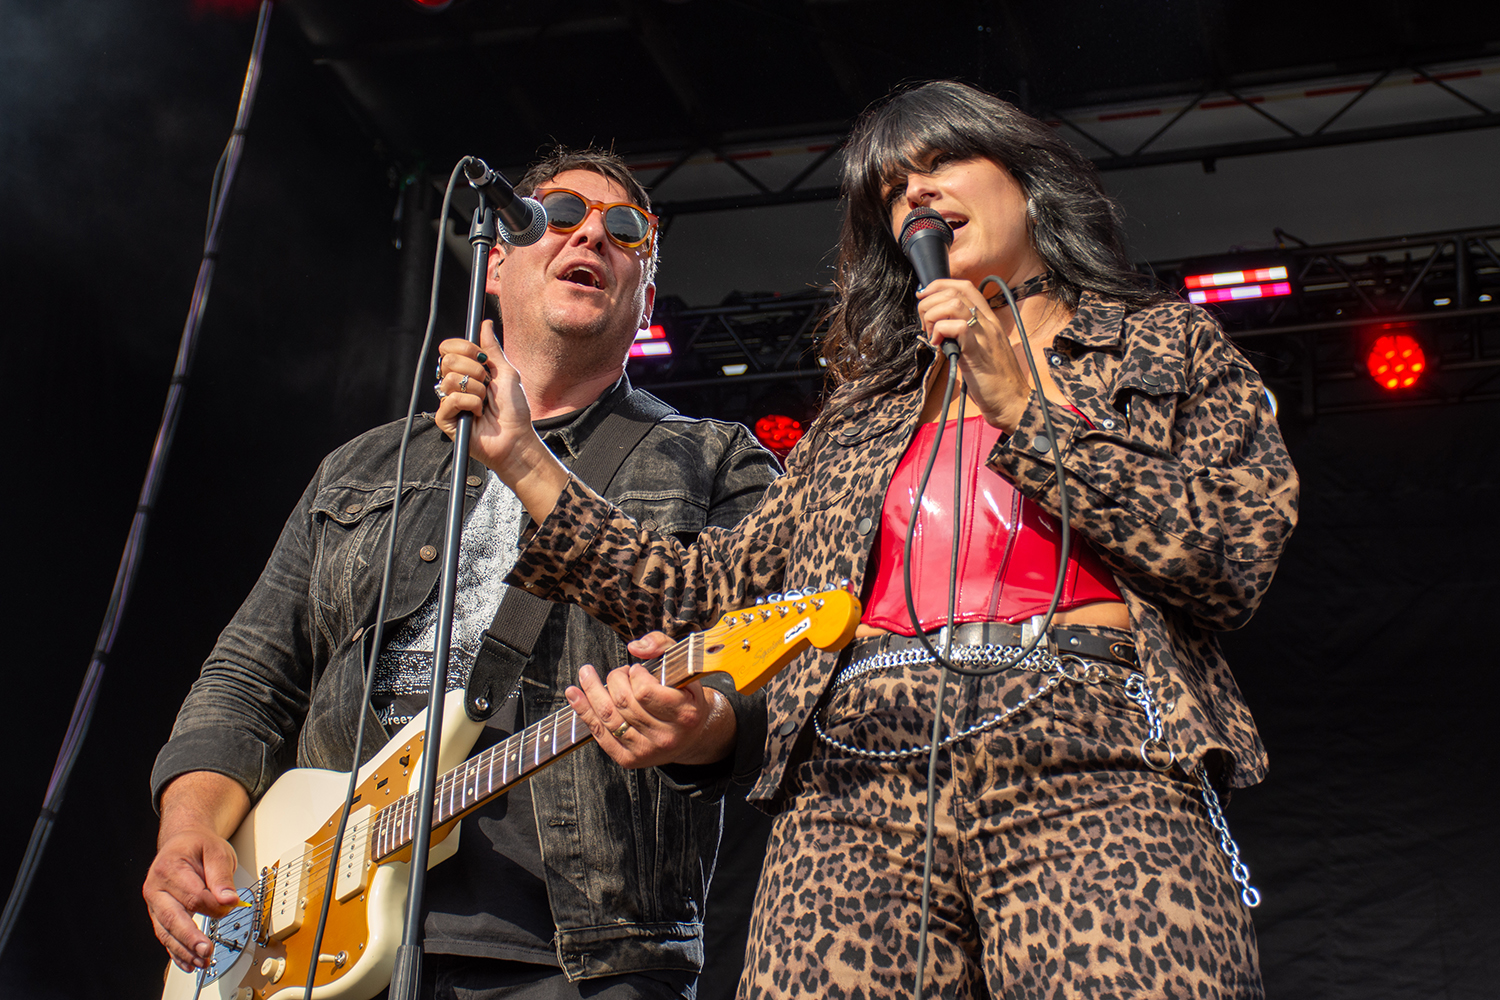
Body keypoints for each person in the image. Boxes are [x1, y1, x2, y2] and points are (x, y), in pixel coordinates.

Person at [435, 81, 1299, 1000]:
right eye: (893, 189)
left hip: (1096, 755)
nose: (916, 193)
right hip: (855, 779)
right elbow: (702, 589)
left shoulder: (1165, 346)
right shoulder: (864, 413)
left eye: (943, 161)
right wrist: (524, 459)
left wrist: (1025, 408)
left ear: (1026, 179)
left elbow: (1231, 553)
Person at [142, 147, 781, 1000]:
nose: (591, 234)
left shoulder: (717, 464)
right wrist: (187, 825)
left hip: (578, 957)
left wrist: (704, 728)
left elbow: (769, 692)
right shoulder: (361, 469)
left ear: (646, 300)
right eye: (559, 214)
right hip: (312, 934)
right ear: (496, 264)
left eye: (627, 230)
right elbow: (249, 676)